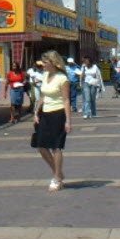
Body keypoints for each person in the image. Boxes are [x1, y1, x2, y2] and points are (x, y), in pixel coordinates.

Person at [33, 50, 72, 192]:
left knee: (56, 147)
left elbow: (66, 100)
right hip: (45, 114)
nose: (42, 65)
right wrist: (36, 111)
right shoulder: (45, 75)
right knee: (41, 146)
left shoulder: (62, 78)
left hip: (58, 114)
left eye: (45, 62)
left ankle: (56, 178)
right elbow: (43, 95)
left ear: (53, 62)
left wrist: (68, 120)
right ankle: (58, 172)